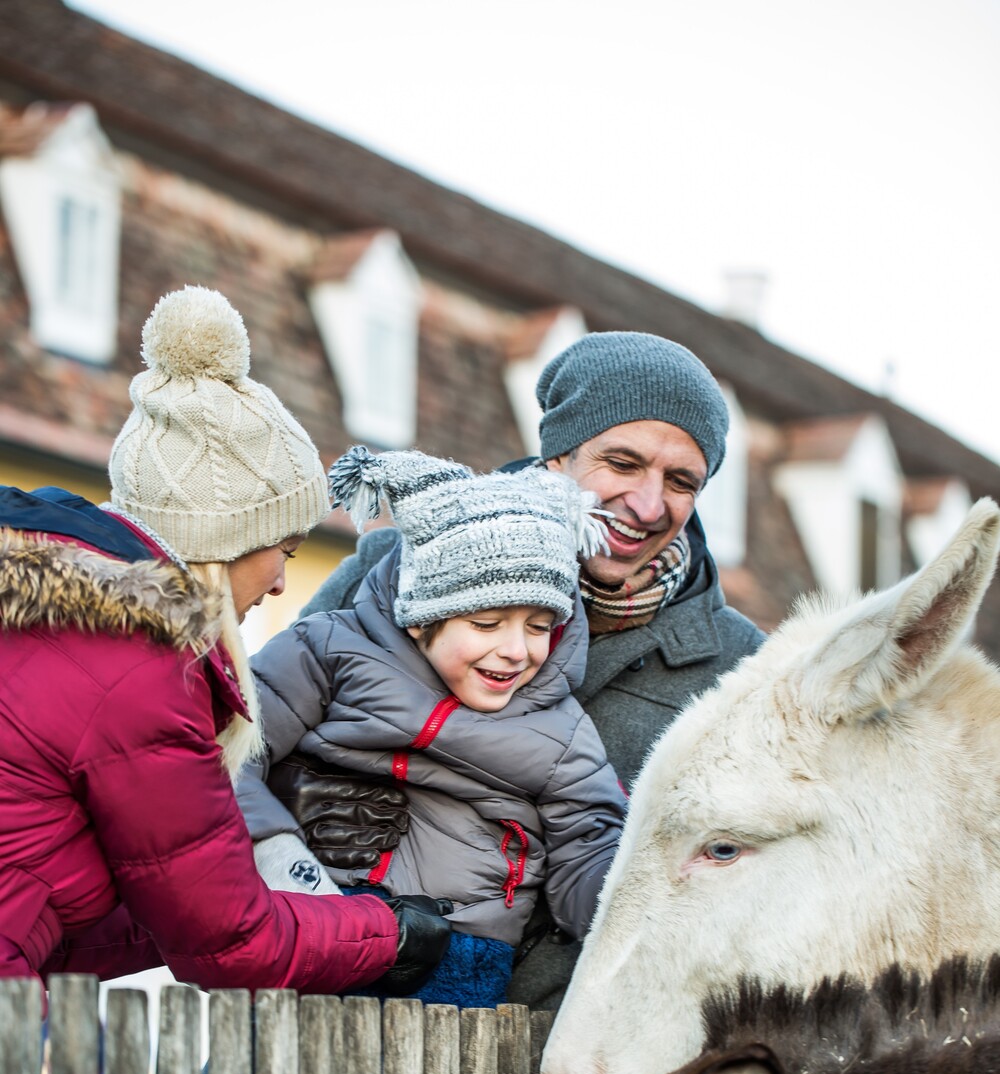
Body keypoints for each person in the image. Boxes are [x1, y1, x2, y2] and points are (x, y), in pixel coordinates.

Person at [0, 285, 450, 997]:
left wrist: (236, 902)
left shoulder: (47, 632)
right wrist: (388, 930)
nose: (278, 585)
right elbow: (232, 948)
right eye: (288, 551)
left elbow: (53, 911)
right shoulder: (135, 668)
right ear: (224, 542)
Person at [295, 331, 766, 1009]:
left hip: (566, 1055)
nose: (647, 502)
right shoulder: (404, 565)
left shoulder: (736, 668)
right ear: (558, 459)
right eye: (623, 462)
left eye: (681, 480)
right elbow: (254, 729)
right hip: (335, 1008)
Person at [237, 445, 627, 1008]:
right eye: (487, 622)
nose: (516, 651)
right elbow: (228, 746)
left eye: (540, 626)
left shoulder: (561, 732)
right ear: (422, 619)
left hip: (459, 950)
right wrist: (279, 854)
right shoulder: (328, 651)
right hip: (313, 913)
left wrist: (633, 891)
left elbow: (589, 846)